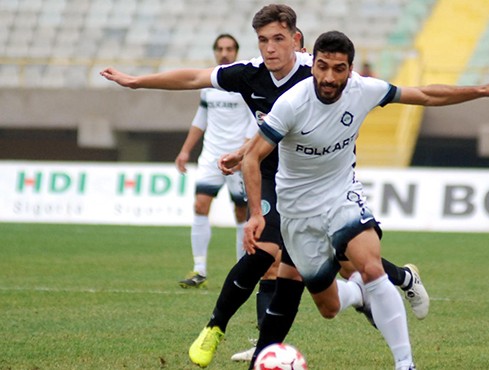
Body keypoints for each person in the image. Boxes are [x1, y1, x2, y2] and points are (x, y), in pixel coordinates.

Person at [101, 5, 428, 368]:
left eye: (277, 39)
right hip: (267, 176)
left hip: (315, 178)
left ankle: (388, 285)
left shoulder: (316, 71)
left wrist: (244, 152)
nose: (269, 49)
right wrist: (136, 81)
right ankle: (222, 329)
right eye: (262, 40)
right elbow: (194, 78)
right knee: (270, 256)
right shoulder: (249, 74)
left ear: (296, 40)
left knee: (331, 265)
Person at [241, 30, 489, 370]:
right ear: (312, 63)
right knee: (328, 307)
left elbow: (425, 95)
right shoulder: (292, 104)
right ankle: (359, 294)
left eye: (339, 68)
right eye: (322, 67)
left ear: (350, 68)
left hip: (341, 195)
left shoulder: (365, 90)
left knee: (372, 265)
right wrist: (256, 213)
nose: (329, 77)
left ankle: (405, 363)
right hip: (297, 212)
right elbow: (251, 157)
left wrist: (481, 90)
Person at [176, 33, 253, 289]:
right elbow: (201, 120)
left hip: (237, 159)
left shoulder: (245, 83)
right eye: (220, 49)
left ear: (236, 51)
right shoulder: (209, 86)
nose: (224, 53)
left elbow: (256, 120)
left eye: (229, 48)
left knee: (241, 212)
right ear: (215, 52)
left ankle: (243, 270)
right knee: (200, 206)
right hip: (211, 156)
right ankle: (199, 269)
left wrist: (244, 153)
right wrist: (186, 150)